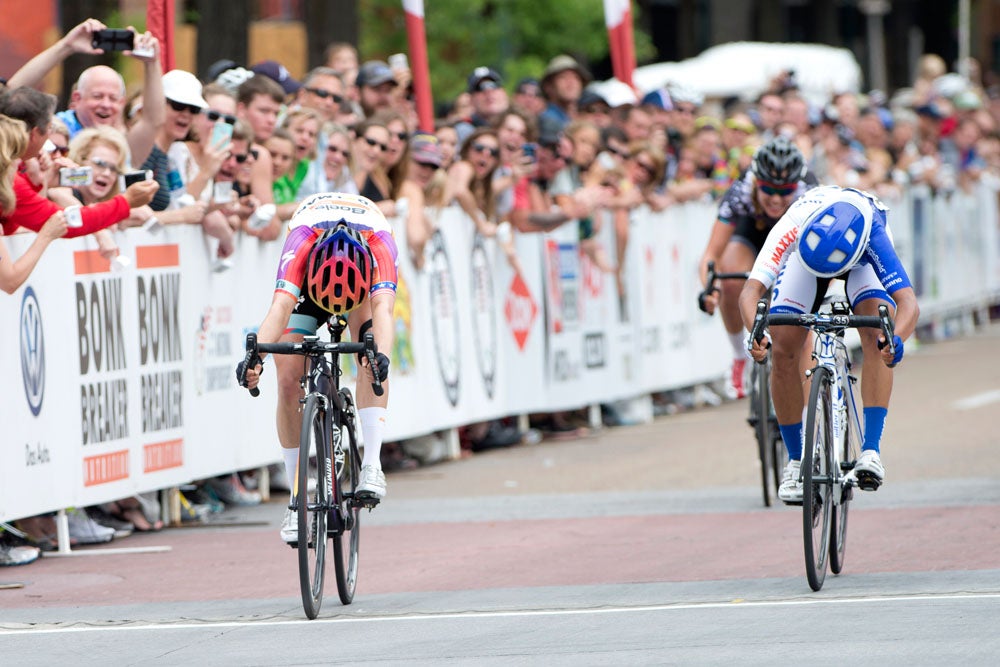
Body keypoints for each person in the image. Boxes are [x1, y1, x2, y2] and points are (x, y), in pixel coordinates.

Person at [739, 185, 919, 503]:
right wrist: (756, 332)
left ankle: (871, 451)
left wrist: (896, 340)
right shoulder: (793, 222)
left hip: (861, 260)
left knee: (878, 332)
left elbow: (908, 305)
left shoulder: (873, 231)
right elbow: (750, 293)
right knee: (783, 346)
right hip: (805, 262)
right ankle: (796, 462)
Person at [238, 192, 398, 543]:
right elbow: (279, 308)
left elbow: (383, 311)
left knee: (371, 359)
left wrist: (380, 357)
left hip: (360, 285)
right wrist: (256, 360)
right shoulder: (302, 239)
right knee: (288, 377)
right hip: (310, 289)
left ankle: (372, 463)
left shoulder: (380, 245)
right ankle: (297, 499)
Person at [698, 135, 816, 399]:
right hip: (752, 234)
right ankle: (740, 357)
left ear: (795, 187)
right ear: (756, 183)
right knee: (731, 279)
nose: (776, 198)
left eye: (784, 191)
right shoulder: (741, 190)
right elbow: (711, 253)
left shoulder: (808, 191)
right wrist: (709, 287)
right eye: (769, 190)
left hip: (794, 239)